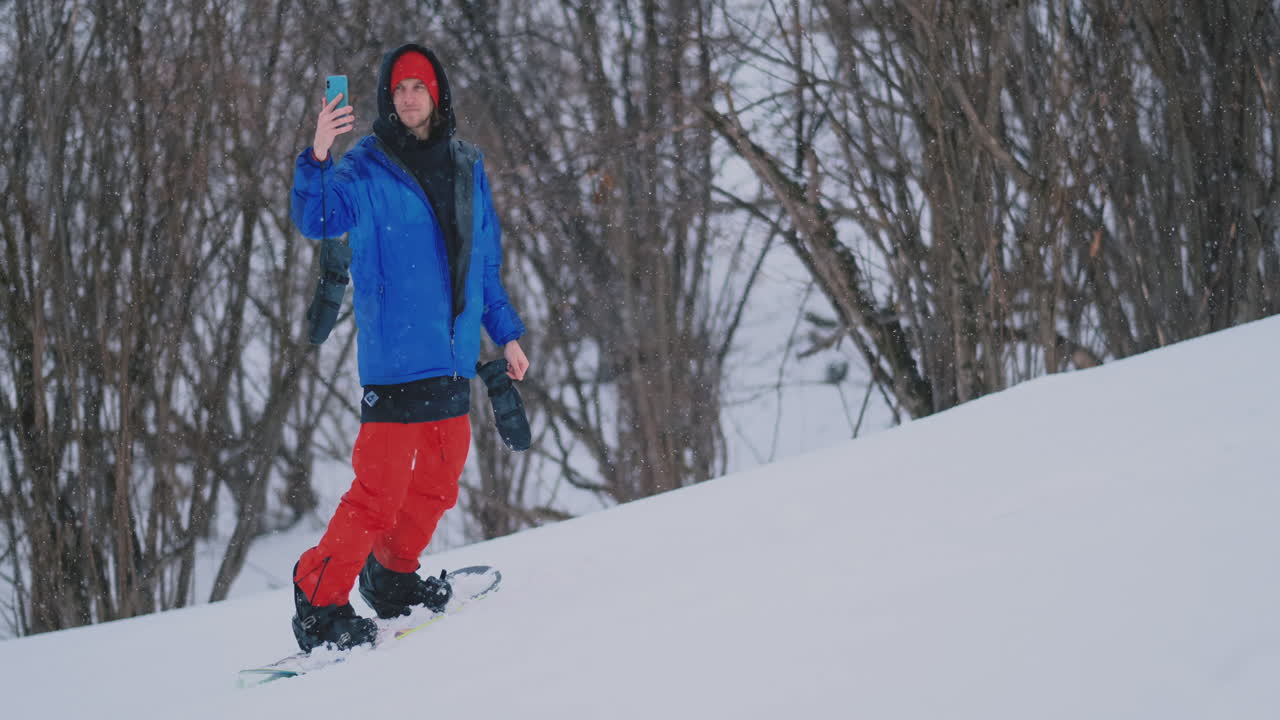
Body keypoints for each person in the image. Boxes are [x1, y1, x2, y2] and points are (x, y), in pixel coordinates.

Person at [287, 43, 529, 652]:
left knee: (441, 483)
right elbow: (317, 218)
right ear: (387, 100)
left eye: (419, 87)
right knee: (377, 494)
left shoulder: (468, 165)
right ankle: (318, 597)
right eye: (399, 89)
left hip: (451, 356)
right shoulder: (364, 169)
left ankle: (392, 577)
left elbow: (485, 262)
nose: (409, 97)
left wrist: (507, 332)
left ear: (437, 94)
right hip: (394, 362)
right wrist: (318, 152)